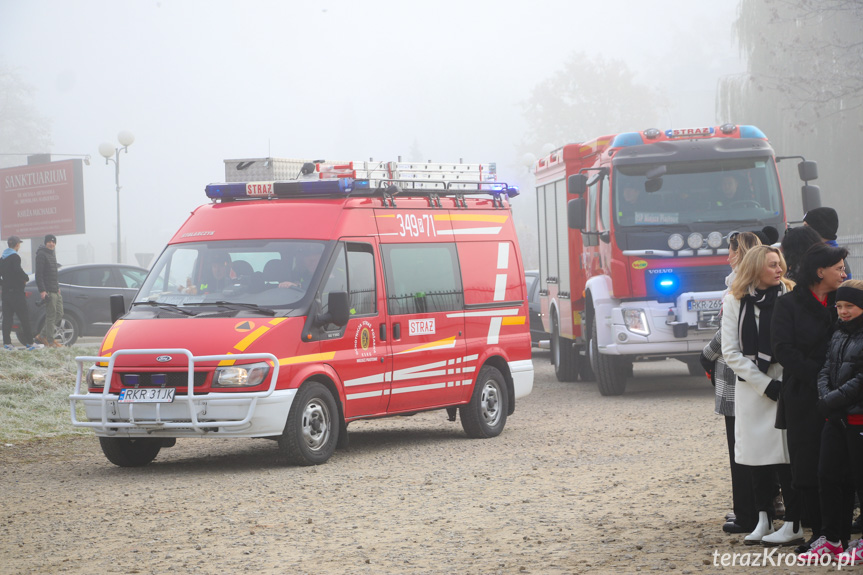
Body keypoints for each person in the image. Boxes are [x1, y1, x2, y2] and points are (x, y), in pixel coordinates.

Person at [770, 244, 849, 549]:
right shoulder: (789, 304)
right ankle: (817, 533)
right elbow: (783, 349)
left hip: (841, 393)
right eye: (838, 268)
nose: (843, 273)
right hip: (803, 395)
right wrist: (820, 376)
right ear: (820, 272)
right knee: (806, 465)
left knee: (839, 465)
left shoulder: (844, 302)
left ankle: (840, 533)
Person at [721, 245, 800, 545]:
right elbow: (731, 352)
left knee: (785, 457)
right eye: (771, 265)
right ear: (755, 268)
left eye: (780, 263)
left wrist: (781, 382)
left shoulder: (789, 295)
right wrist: (764, 384)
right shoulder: (734, 301)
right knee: (755, 457)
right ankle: (763, 519)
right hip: (753, 389)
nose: (779, 269)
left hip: (785, 382)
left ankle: (793, 521)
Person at [797, 279, 863, 564]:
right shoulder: (837, 333)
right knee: (827, 476)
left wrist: (832, 400)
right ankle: (833, 539)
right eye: (839, 305)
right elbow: (826, 368)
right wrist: (826, 398)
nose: (844, 311)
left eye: (850, 306)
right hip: (835, 418)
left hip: (857, 418)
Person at [701, 231, 762, 534]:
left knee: (740, 450)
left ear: (741, 254)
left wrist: (706, 354)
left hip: (733, 376)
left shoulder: (738, 289)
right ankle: (751, 510)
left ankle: (747, 513)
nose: (727, 257)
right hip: (742, 376)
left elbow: (725, 337)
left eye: (731, 252)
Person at [0, 236, 39, 351]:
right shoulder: (15, 257)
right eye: (19, 244)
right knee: (24, 318)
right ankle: (30, 343)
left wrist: (3, 284)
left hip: (6, 293)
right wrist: (25, 277)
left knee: (7, 319)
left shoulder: (2, 258)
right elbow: (18, 270)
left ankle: (7, 344)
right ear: (17, 245)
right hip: (17, 293)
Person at [804, 206, 853, 279]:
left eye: (806, 227)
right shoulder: (836, 255)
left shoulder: (828, 257)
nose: (803, 232)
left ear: (817, 230)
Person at [34, 234, 63, 348]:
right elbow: (39, 275)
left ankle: (42, 335)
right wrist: (42, 291)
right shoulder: (41, 255)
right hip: (48, 291)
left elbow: (53, 273)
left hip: (55, 289)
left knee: (60, 313)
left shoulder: (52, 254)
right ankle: (50, 341)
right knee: (51, 316)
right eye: (49, 242)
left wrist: (57, 286)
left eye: (53, 242)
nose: (52, 244)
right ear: (45, 243)